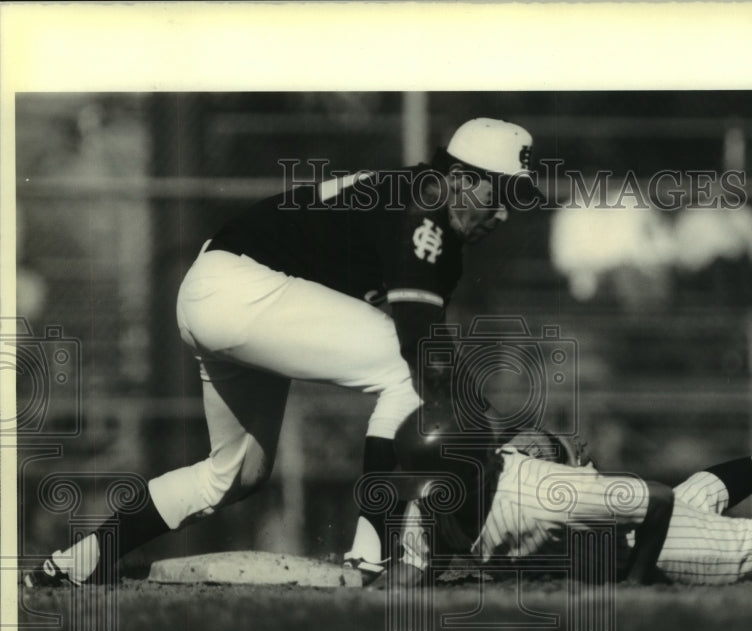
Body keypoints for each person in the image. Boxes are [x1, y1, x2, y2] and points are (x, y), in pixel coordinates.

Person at [22, 118, 542, 588]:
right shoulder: (423, 207)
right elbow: (421, 352)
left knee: (232, 475)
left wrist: (488, 425)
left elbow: (434, 358)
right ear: (462, 178)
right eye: (501, 193)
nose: (503, 211)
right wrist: (501, 430)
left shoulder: (432, 223)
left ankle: (75, 562)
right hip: (240, 288)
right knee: (402, 369)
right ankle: (372, 559)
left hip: (221, 292)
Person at [366, 389, 752, 587]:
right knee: (694, 501)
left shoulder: (527, 496)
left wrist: (635, 584)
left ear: (467, 474)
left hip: (637, 539)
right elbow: (412, 570)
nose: (424, 496)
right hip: (602, 527)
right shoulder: (437, 494)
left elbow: (652, 498)